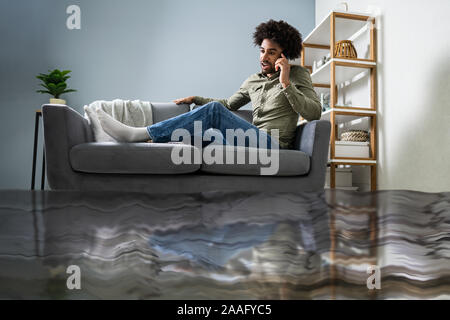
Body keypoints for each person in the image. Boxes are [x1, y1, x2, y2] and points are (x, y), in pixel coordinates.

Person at [97, 19, 321, 150]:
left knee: (213, 113)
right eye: (262, 51)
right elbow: (228, 104)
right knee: (205, 134)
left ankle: (138, 133)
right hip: (251, 137)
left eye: (272, 53)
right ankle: (147, 143)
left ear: (284, 55)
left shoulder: (297, 74)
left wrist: (285, 84)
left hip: (274, 145)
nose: (264, 57)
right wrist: (196, 99)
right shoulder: (252, 80)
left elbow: (314, 113)